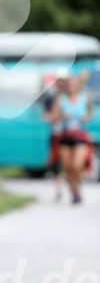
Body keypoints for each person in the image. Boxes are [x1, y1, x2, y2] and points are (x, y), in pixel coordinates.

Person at [50, 74, 93, 203]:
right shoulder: (60, 99)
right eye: (70, 85)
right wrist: (63, 116)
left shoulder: (84, 97)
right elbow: (54, 117)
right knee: (68, 167)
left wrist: (86, 117)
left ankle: (77, 186)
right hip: (65, 136)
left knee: (76, 165)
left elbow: (90, 112)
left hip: (80, 136)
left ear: (78, 86)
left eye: (74, 85)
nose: (72, 87)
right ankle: (74, 191)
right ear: (67, 86)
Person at [42, 71, 69, 202]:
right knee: (54, 163)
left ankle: (72, 187)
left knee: (69, 162)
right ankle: (59, 190)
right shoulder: (50, 98)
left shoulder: (72, 97)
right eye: (58, 81)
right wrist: (56, 117)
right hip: (56, 133)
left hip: (69, 133)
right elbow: (45, 116)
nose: (60, 83)